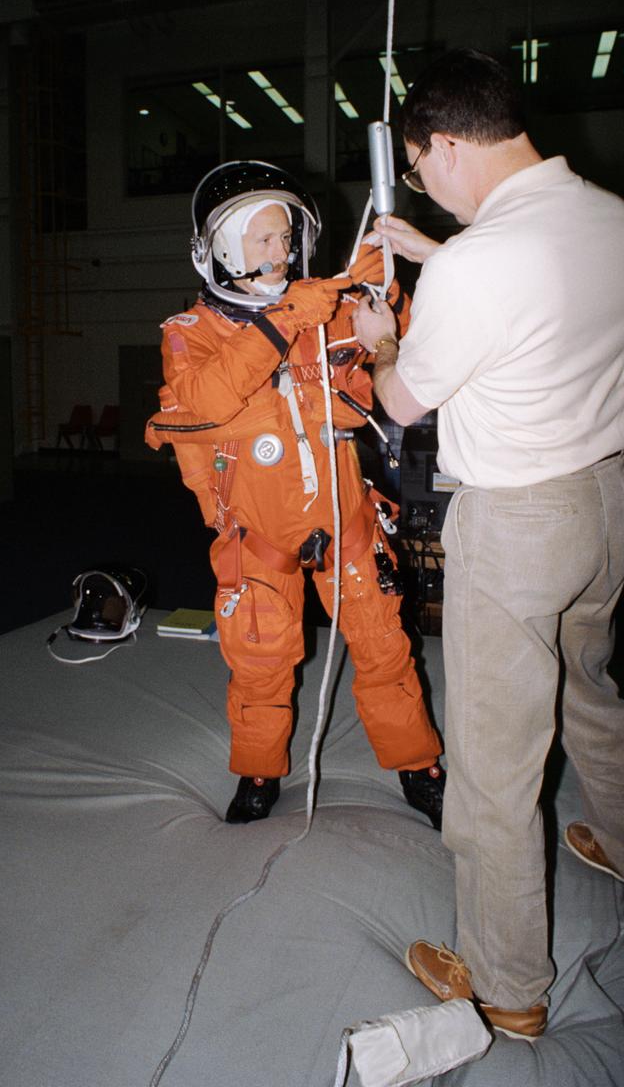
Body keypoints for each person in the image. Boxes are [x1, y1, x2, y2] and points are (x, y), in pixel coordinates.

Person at [353, 47, 624, 1041]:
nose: (421, 181)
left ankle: (505, 983)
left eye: (417, 166)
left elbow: (398, 404)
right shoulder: (608, 215)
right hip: (605, 504)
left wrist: (377, 336)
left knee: (495, 764)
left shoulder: (479, 265)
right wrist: (437, 250)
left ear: (439, 144)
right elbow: (530, 293)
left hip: (516, 524)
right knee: (590, 683)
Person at [145, 160, 445, 827]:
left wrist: (386, 295)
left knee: (384, 649)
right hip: (260, 537)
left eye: (286, 238)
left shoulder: (325, 312)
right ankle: (259, 772)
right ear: (222, 246)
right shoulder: (190, 335)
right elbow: (205, 400)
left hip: (349, 525)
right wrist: (281, 323)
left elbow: (411, 352)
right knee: (260, 660)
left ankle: (419, 769)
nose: (280, 253)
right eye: (262, 240)